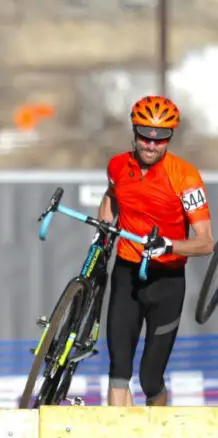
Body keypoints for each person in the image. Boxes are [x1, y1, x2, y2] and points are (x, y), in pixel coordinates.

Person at [97, 95, 214, 407]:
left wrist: (169, 245)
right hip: (127, 274)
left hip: (167, 281)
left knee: (150, 379)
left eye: (159, 138)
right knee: (119, 370)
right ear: (134, 133)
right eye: (143, 136)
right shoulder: (118, 166)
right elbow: (112, 197)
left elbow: (206, 242)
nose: (150, 145)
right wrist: (104, 230)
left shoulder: (186, 178)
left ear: (169, 138)